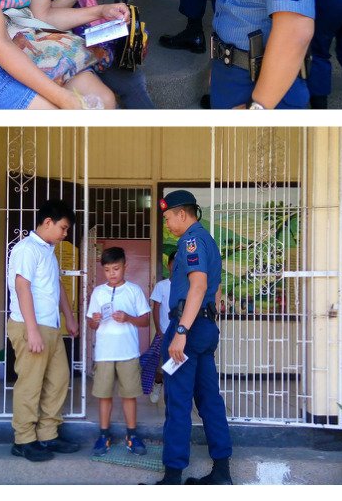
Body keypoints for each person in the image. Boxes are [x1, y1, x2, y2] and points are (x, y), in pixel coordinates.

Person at [157, 190, 234, 484]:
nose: (167, 224)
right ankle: (222, 472)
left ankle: (172, 477)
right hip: (204, 329)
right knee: (209, 400)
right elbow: (214, 289)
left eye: (167, 217)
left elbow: (198, 286)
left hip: (187, 330)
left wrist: (180, 332)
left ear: (181, 213)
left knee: (178, 401)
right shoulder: (207, 240)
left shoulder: (190, 239)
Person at [5, 199, 81, 461]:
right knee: (30, 383)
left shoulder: (48, 250)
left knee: (59, 379)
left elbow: (57, 286)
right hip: (30, 326)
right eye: (63, 228)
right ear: (48, 222)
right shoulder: (26, 249)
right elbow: (21, 287)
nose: (65, 234)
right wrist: (32, 330)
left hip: (51, 327)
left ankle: (48, 434)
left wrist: (69, 318)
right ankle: (24, 439)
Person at [86, 247, 151, 456]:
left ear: (125, 266)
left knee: (129, 396)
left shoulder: (134, 290)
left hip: (128, 353)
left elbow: (145, 320)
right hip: (104, 354)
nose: (112, 273)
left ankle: (131, 434)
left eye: (116, 268)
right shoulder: (98, 292)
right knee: (104, 396)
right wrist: (94, 321)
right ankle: (103, 435)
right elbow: (91, 324)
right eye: (107, 270)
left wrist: (128, 318)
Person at [141, 252, 174, 404]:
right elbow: (156, 308)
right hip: (164, 332)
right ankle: (158, 383)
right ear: (169, 265)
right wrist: (159, 330)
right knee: (160, 364)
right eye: (174, 264)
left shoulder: (188, 286)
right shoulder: (162, 286)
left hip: (180, 334)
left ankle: (173, 393)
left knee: (175, 365)